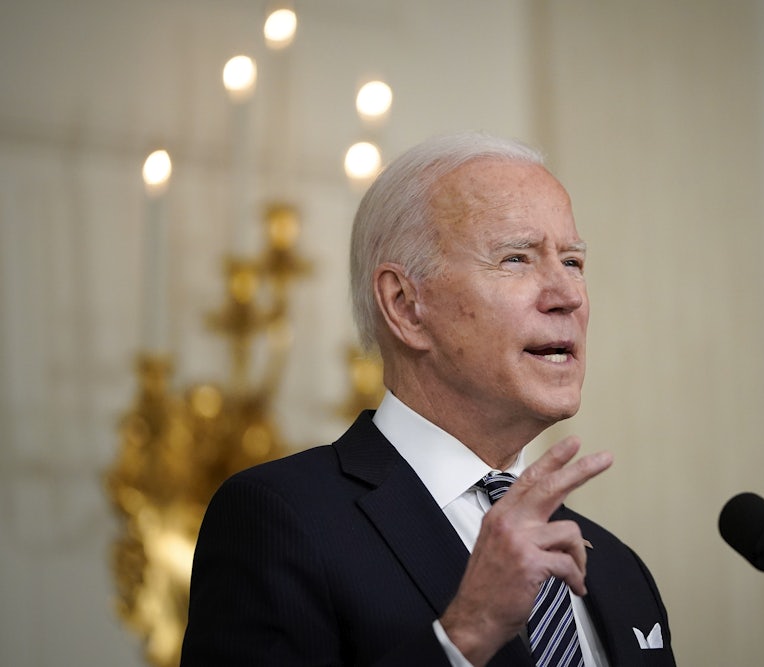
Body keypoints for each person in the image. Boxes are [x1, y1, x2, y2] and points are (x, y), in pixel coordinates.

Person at [180, 132, 677, 666]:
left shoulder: (619, 570)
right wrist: (466, 633)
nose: (569, 296)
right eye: (516, 259)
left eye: (573, 262)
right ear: (405, 306)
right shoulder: (281, 522)